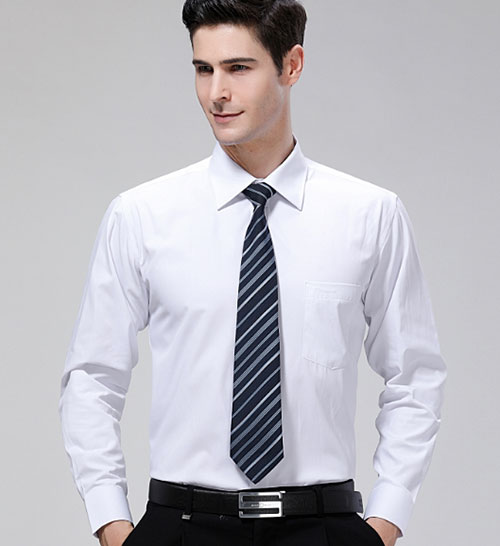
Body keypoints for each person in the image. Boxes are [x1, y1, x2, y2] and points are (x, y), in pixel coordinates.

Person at [58, 1, 447, 545]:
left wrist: (386, 520)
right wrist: (111, 523)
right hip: (182, 526)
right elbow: (92, 378)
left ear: (292, 65)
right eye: (203, 69)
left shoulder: (370, 215)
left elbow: (414, 375)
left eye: (238, 68)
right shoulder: (142, 216)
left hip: (322, 526)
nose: (216, 92)